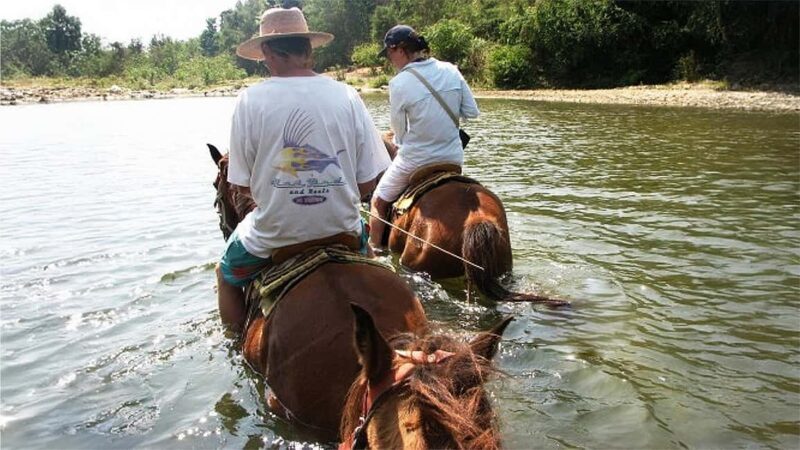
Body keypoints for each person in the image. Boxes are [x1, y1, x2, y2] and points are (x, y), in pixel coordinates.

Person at [216, 7, 391, 331]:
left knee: (224, 275)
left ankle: (234, 340)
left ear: (268, 51)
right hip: (343, 230)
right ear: (308, 49)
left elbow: (241, 187)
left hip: (273, 237)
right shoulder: (347, 95)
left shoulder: (249, 100)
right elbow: (368, 183)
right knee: (377, 269)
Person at [368, 25, 480, 248]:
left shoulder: (399, 83)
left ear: (399, 50)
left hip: (416, 159)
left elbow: (399, 133)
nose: (390, 60)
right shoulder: (451, 70)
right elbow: (471, 112)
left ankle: (376, 252)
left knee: (378, 201)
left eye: (389, 54)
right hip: (453, 157)